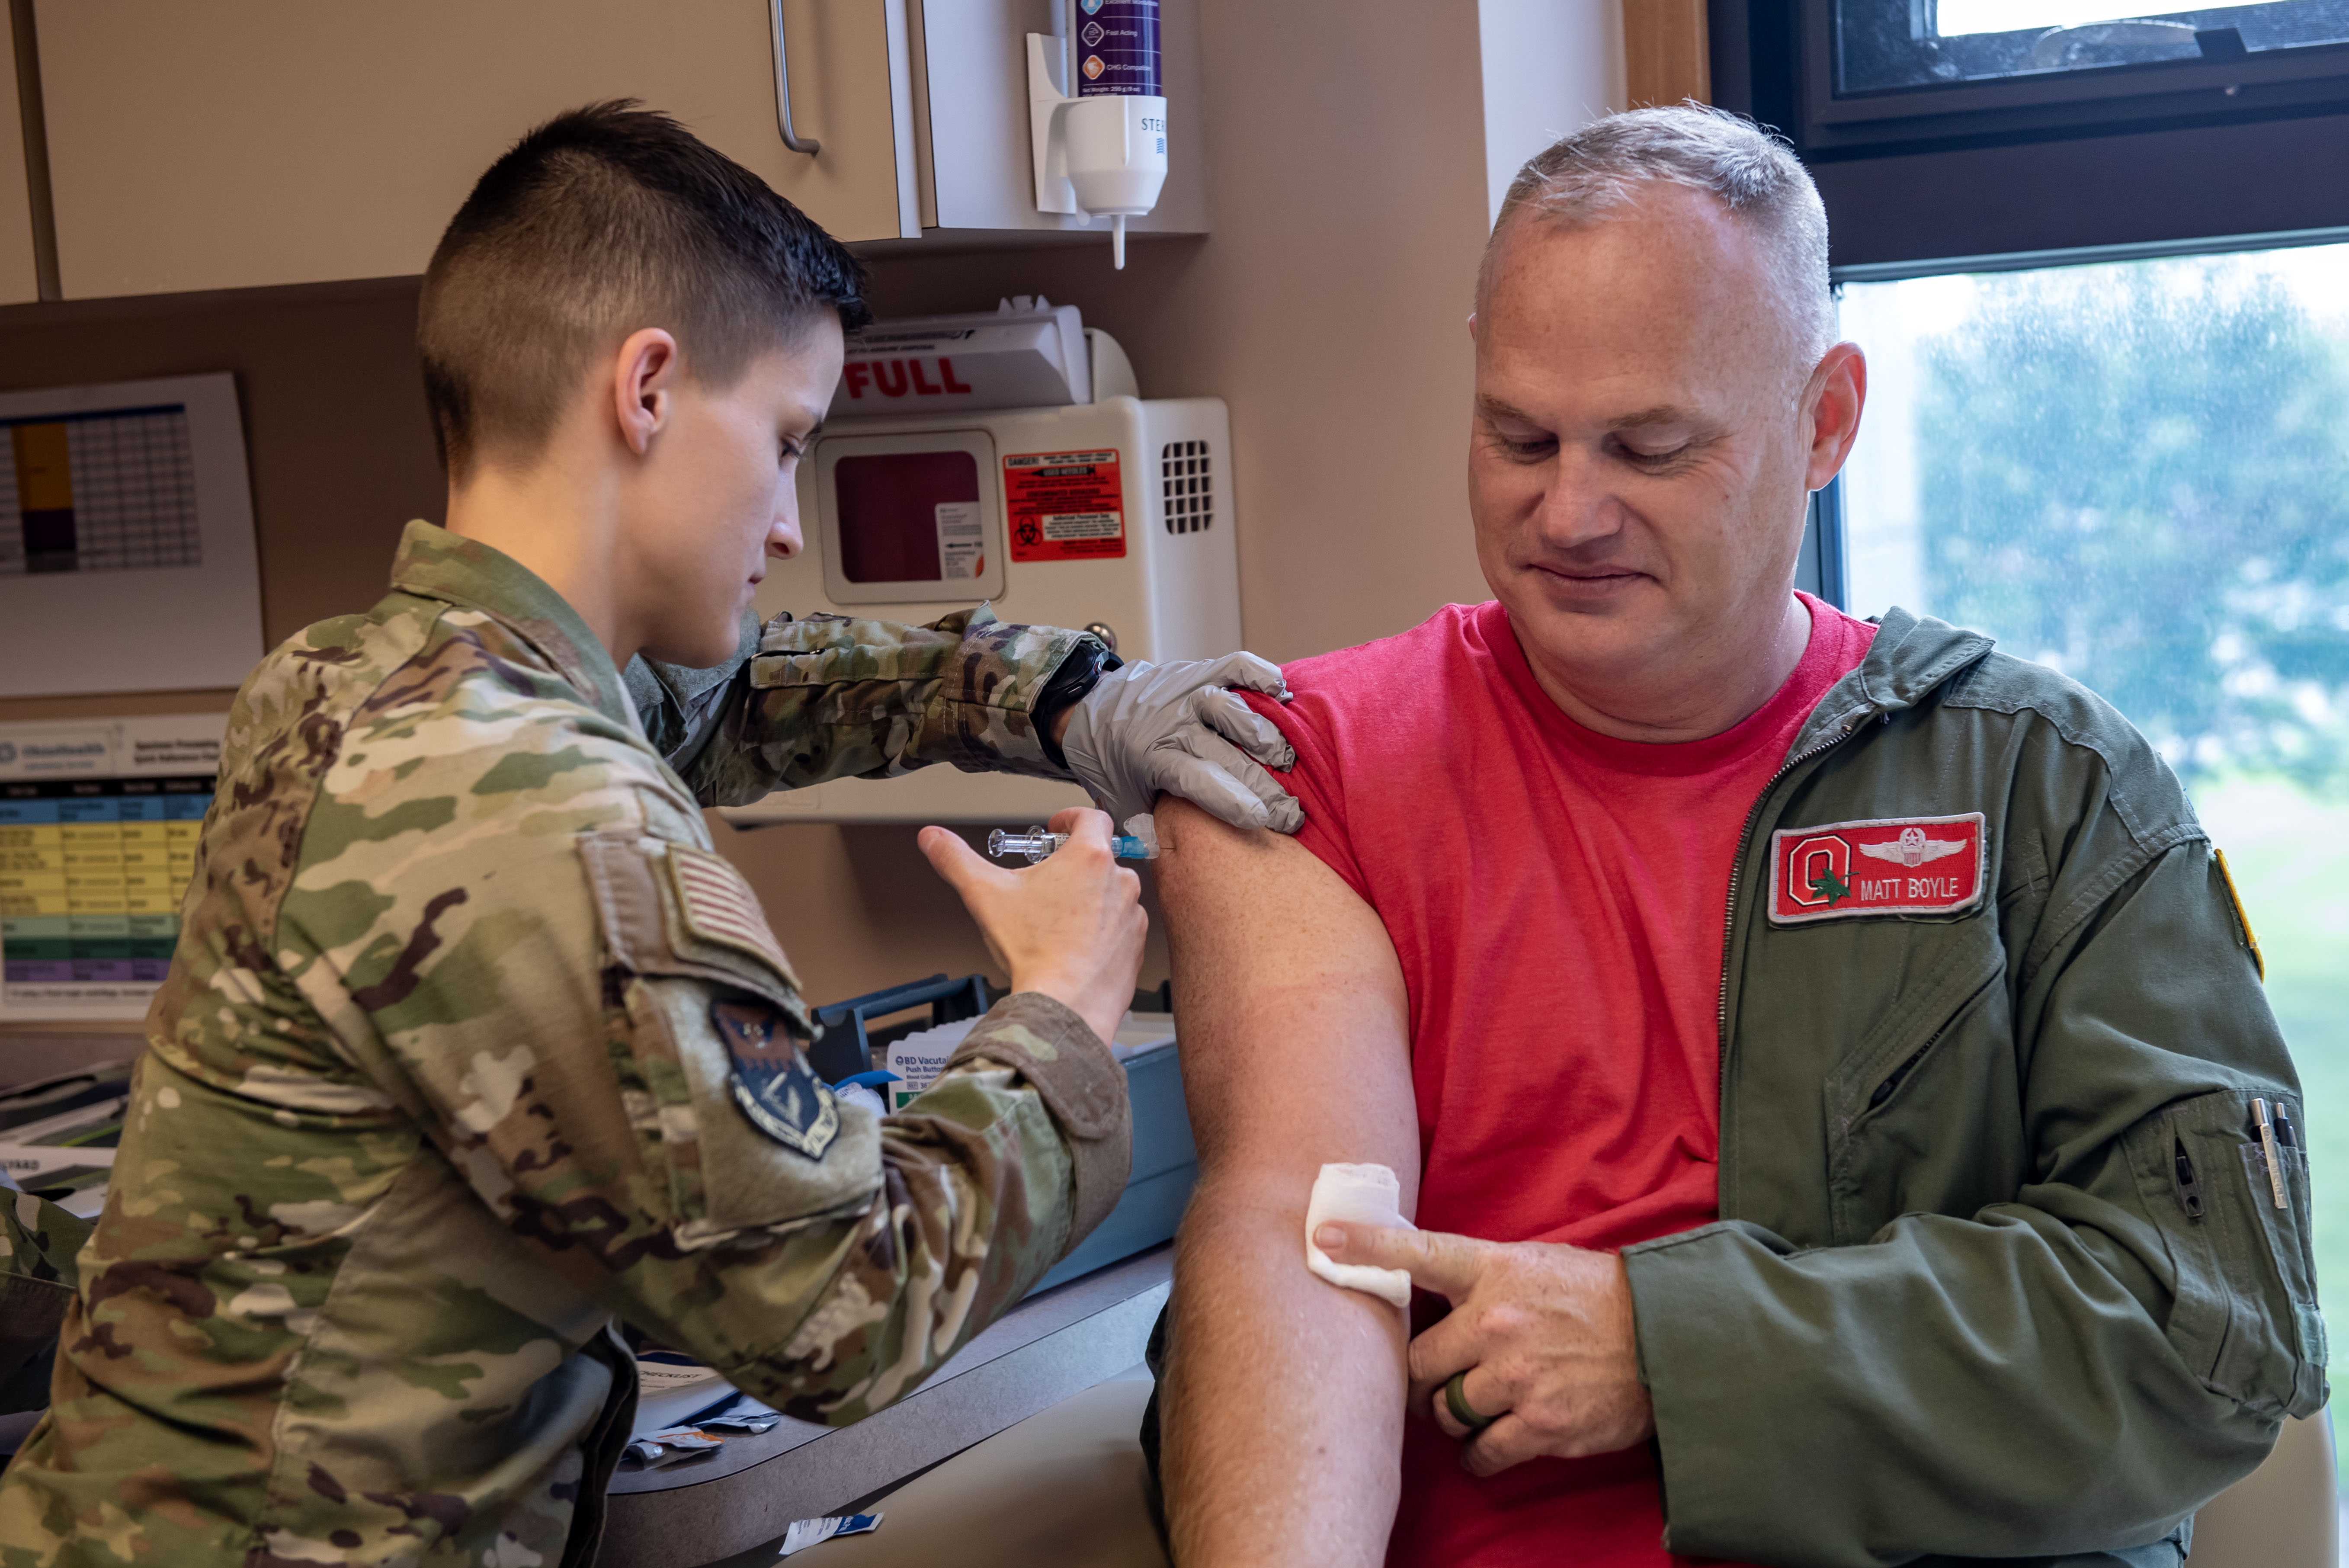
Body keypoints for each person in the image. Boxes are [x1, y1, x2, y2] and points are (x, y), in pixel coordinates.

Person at [0, 103, 1298, 1565]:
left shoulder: (349, 682)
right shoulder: (553, 818)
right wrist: (1060, 1004)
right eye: (790, 439)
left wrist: (1063, 698)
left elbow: (724, 691)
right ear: (650, 390)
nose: (793, 519)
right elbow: (847, 1310)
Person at [1145, 106, 2320, 1568]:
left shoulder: (2046, 787)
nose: (1566, 508)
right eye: (1519, 434)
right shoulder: (1306, 760)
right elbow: (1305, 1238)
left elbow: (2216, 1329)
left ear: (1824, 420)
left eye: (1649, 445)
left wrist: (1676, 1349)